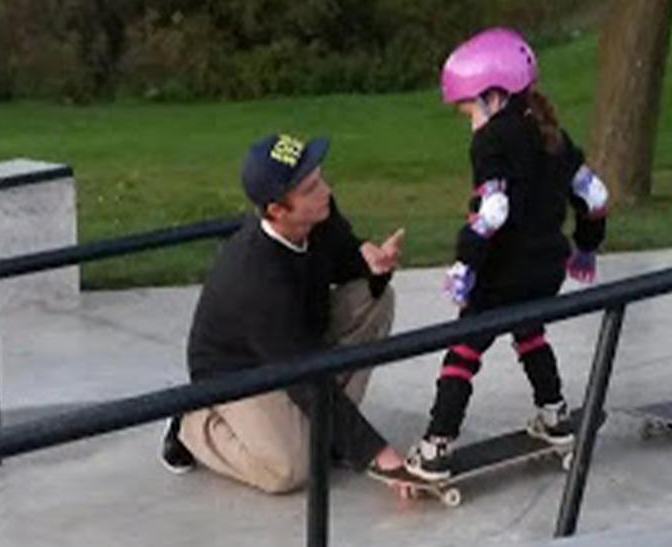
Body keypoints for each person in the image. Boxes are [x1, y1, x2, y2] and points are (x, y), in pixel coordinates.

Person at [407, 27, 610, 481]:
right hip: (545, 269)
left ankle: (437, 446)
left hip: (502, 272)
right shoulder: (553, 134)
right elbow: (595, 195)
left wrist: (465, 265)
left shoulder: (492, 140)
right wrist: (586, 248)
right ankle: (555, 415)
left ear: (494, 96)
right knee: (529, 332)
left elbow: (493, 212)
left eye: (468, 111)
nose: (471, 122)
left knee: (463, 351)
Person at [160, 132, 415, 493]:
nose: (325, 190)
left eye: (321, 177)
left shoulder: (320, 215)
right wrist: (380, 454)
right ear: (277, 210)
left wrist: (370, 263)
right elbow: (304, 376)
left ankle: (330, 437)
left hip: (296, 340)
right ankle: (193, 423)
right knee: (289, 471)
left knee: (374, 299)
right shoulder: (254, 278)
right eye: (310, 188)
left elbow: (342, 260)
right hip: (238, 370)